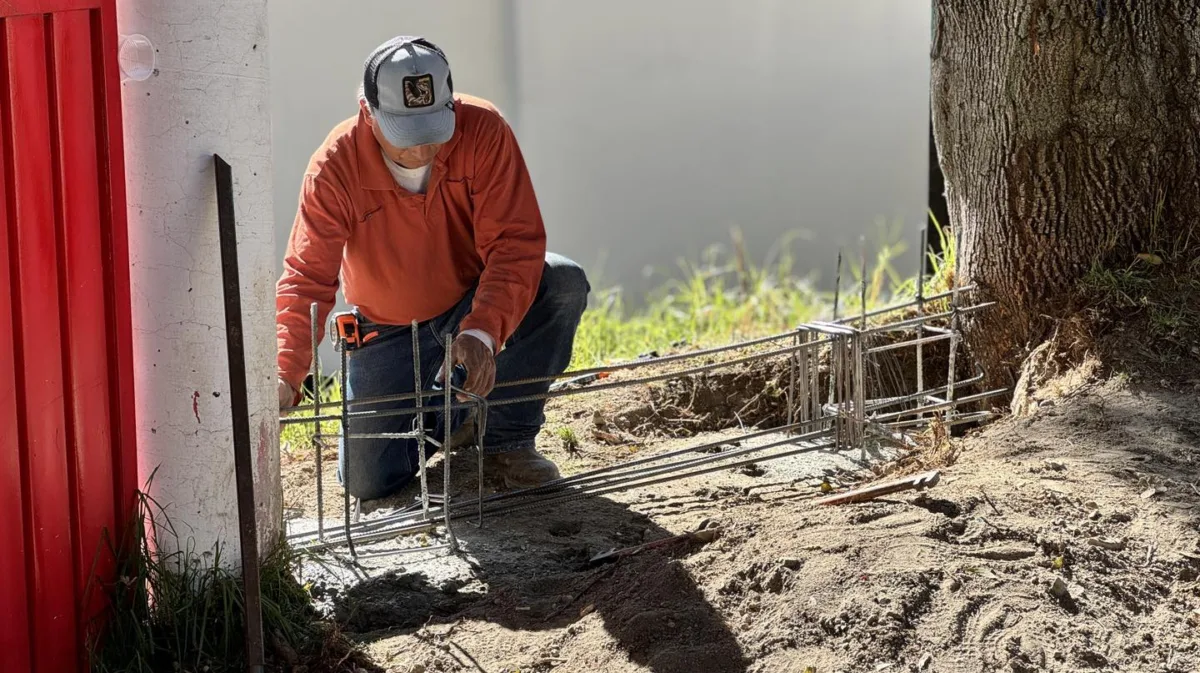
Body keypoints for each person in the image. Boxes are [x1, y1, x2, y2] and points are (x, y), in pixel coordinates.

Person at [275, 36, 589, 500]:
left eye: (433, 130)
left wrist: (481, 332)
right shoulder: (333, 167)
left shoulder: (484, 130)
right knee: (367, 482)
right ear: (368, 111)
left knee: (558, 283)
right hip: (387, 328)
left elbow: (514, 245)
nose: (422, 150)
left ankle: (505, 441)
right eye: (406, 133)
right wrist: (285, 375)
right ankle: (458, 417)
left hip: (469, 304)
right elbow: (306, 279)